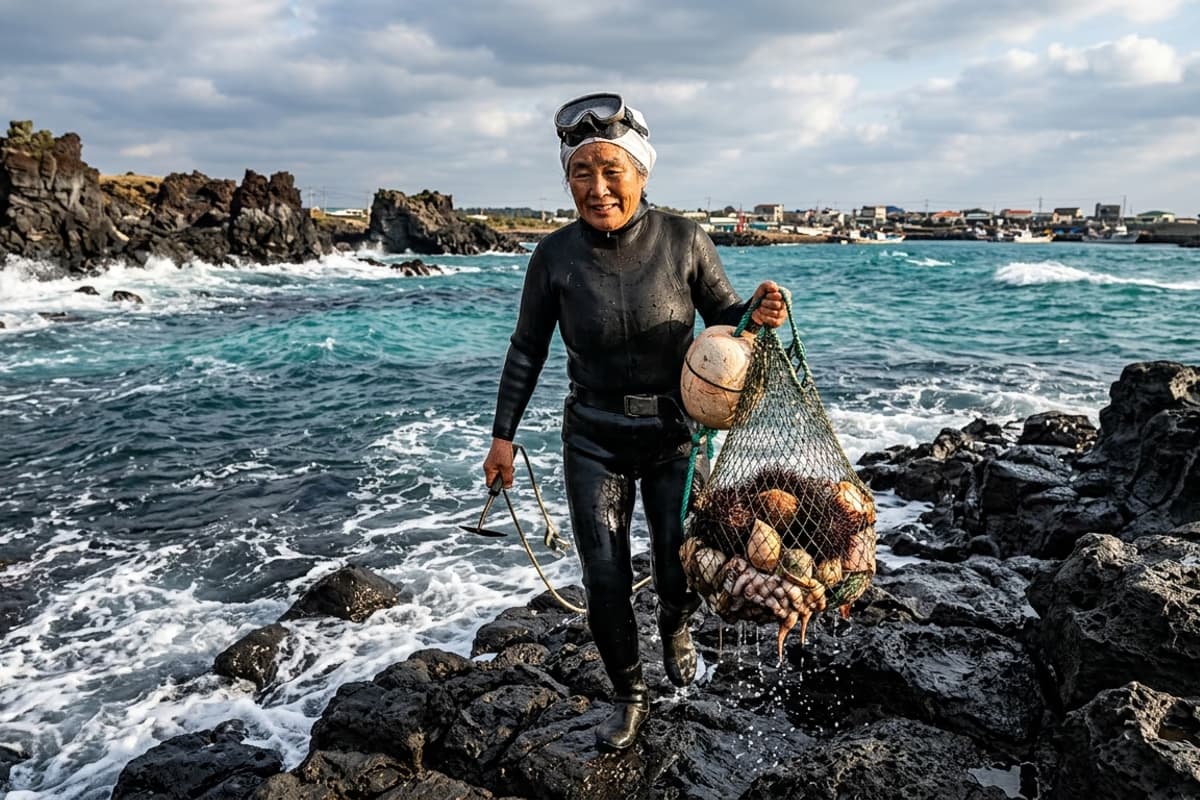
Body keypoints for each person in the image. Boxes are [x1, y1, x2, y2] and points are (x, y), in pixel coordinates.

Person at [483, 92, 787, 752]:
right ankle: (630, 693)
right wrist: (503, 436)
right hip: (592, 438)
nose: (597, 189)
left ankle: (677, 624)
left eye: (610, 170)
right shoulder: (555, 258)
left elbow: (725, 314)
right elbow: (526, 348)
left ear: (641, 172)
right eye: (581, 173)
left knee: (680, 567)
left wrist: (756, 313)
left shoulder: (684, 241)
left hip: (674, 436)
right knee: (605, 578)